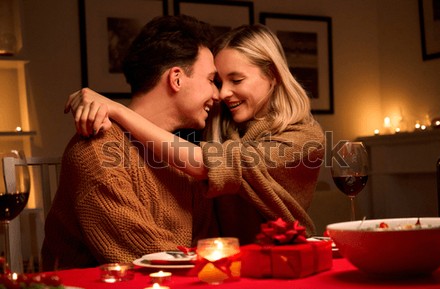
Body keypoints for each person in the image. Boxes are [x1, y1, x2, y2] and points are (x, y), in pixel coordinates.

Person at [67, 24, 325, 245]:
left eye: (236, 80)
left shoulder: (303, 137)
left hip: (285, 259)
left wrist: (116, 109)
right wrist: (89, 102)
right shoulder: (218, 122)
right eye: (216, 81)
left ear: (272, 75)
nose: (221, 94)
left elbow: (206, 163)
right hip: (227, 267)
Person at [41, 15, 219, 271]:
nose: (217, 94)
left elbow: (207, 248)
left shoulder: (182, 158)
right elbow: (149, 261)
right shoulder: (97, 149)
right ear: (176, 79)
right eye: (211, 80)